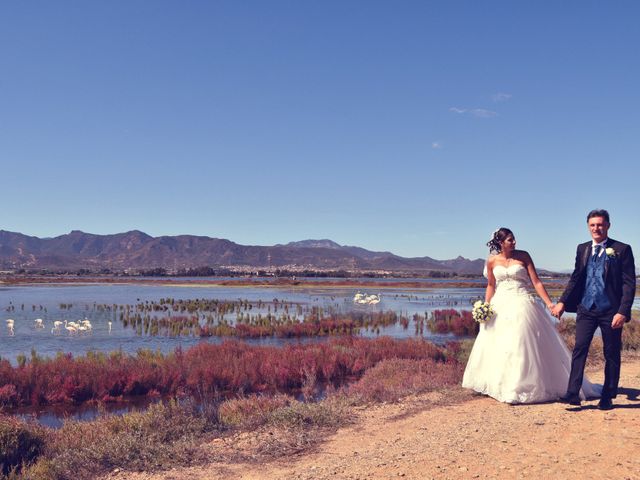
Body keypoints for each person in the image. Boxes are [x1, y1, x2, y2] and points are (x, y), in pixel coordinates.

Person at [462, 228, 600, 403]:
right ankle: (500, 384)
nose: (514, 242)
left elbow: (536, 281)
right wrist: (485, 306)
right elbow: (491, 285)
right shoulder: (491, 261)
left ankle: (519, 387)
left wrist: (550, 304)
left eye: (514, 239)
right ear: (500, 243)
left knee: (520, 342)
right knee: (499, 344)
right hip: (499, 306)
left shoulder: (524, 256)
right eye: (510, 240)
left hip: (521, 303)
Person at [552, 209, 636, 410]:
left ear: (608, 225)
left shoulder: (622, 249)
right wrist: (563, 301)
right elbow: (576, 277)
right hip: (586, 308)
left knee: (611, 352)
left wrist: (622, 312)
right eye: (592, 225)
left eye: (600, 224)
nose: (596, 228)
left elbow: (629, 283)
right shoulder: (583, 249)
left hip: (611, 310)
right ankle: (573, 393)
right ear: (588, 226)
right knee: (580, 348)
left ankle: (608, 395)